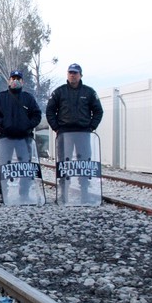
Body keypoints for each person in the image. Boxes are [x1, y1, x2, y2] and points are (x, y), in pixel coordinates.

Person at [45, 63, 104, 200]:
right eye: (70, 72)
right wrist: (56, 128)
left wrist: (91, 127)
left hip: (84, 133)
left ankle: (84, 193)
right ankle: (63, 194)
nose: (72, 75)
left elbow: (98, 111)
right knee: (64, 164)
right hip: (65, 134)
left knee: (84, 164)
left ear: (80, 75)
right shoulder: (59, 92)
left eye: (75, 73)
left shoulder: (89, 92)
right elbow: (50, 111)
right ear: (67, 74)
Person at [0, 70, 42, 200]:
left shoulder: (28, 98)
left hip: (24, 138)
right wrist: (3, 123)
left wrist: (29, 124)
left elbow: (37, 114)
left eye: (18, 78)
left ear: (22, 81)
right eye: (13, 78)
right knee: (4, 166)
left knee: (25, 165)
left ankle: (24, 193)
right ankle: (3, 193)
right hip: (5, 137)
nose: (15, 81)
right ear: (9, 80)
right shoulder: (0, 97)